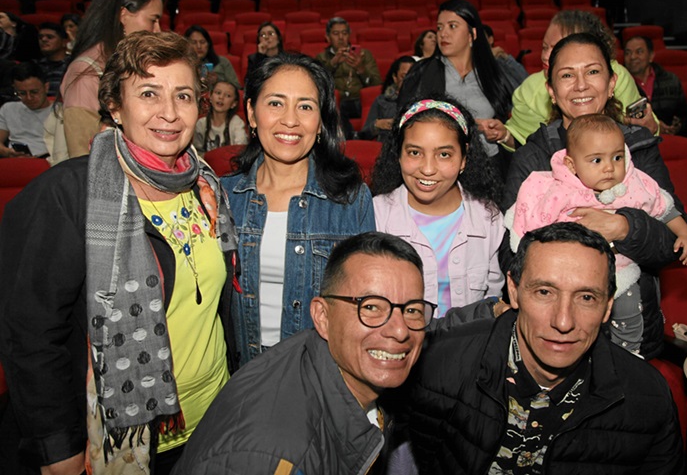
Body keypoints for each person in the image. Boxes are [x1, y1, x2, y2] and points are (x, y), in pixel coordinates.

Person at [0, 31, 239, 475]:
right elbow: (31, 333)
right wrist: (57, 446)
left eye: (183, 95)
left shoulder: (208, 188)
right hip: (122, 435)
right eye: (149, 93)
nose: (169, 112)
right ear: (115, 106)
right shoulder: (70, 194)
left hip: (214, 419)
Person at [399, 222, 684, 474]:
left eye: (586, 297)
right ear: (513, 290)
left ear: (608, 306)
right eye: (544, 292)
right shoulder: (435, 365)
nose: (563, 321)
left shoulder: (648, 399)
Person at [172, 231, 433, 474]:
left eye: (412, 310)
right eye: (372, 307)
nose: (400, 331)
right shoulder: (281, 455)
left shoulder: (318, 361)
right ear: (322, 316)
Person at [503, 33, 686, 360]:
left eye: (593, 72)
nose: (581, 85)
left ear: (612, 82)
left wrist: (624, 227)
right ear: (551, 90)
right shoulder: (532, 156)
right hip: (554, 330)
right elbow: (510, 251)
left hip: (632, 325)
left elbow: (672, 241)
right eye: (567, 75)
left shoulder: (639, 147)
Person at [222, 52, 375, 366]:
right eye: (275, 103)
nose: (290, 120)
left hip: (320, 373)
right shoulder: (222, 196)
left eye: (305, 106)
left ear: (320, 121)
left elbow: (365, 306)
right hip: (238, 376)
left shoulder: (351, 200)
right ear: (251, 113)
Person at [507, 114, 687, 354]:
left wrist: (685, 235)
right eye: (596, 160)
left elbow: (666, 209)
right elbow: (534, 227)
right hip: (570, 276)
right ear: (572, 166)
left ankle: (628, 357)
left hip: (620, 267)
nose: (609, 167)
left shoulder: (636, 184)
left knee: (629, 310)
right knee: (571, 323)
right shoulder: (558, 190)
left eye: (617, 157)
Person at [372, 95, 505, 316]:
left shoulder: (487, 218)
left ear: (463, 158)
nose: (427, 169)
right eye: (415, 153)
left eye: (444, 154)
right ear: (398, 154)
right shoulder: (376, 215)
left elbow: (492, 297)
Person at [505, 9, 655, 145]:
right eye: (544, 47)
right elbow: (524, 144)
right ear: (551, 91)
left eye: (556, 47)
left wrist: (648, 128)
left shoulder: (617, 77)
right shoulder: (528, 90)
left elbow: (643, 130)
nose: (545, 56)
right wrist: (505, 136)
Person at [399, 0, 516, 172]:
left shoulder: (492, 74)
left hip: (489, 167)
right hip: (439, 169)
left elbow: (512, 124)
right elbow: (406, 121)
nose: (443, 34)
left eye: (452, 26)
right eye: (439, 27)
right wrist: (471, 124)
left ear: (472, 34)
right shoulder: (422, 72)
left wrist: (501, 132)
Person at [60, 0, 164, 159]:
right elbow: (81, 154)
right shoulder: (87, 72)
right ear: (124, 15)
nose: (158, 30)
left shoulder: (129, 64)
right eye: (153, 20)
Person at [624, 35, 687, 191]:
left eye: (639, 52)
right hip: (640, 141)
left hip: (671, 138)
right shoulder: (620, 84)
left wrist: (676, 126)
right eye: (628, 53)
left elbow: (686, 115)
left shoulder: (670, 80)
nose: (633, 57)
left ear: (651, 56)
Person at [316, 17, 382, 139]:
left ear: (349, 35)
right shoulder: (322, 58)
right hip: (337, 102)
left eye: (344, 33)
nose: (341, 38)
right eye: (336, 34)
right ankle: (352, 137)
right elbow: (317, 83)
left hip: (359, 101)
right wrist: (333, 64)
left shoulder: (364, 55)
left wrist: (361, 69)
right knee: (332, 106)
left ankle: (361, 137)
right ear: (328, 37)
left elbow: (377, 85)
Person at [0, 62, 51, 157]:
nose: (29, 98)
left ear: (46, 87)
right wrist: (6, 151)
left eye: (34, 92)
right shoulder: (8, 109)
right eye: (22, 93)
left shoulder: (60, 111)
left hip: (48, 162)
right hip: (15, 161)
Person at [359, 54, 415, 140]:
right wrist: (377, 125)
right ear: (395, 78)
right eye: (404, 76)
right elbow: (363, 135)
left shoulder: (423, 103)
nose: (408, 80)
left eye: (412, 77)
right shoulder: (382, 101)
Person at [193, 80, 247, 154]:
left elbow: (241, 150)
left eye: (228, 95)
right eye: (218, 93)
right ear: (210, 97)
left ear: (234, 104)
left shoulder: (236, 123)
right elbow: (196, 152)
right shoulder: (201, 123)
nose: (221, 97)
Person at [185, 25, 240, 89]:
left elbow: (237, 88)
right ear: (187, 45)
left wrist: (218, 81)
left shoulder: (223, 62)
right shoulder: (181, 64)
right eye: (194, 42)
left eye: (202, 42)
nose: (199, 46)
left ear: (208, 44)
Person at [483, 24, 528, 88]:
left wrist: (507, 59)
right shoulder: (472, 62)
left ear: (490, 40)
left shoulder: (502, 59)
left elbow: (526, 80)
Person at [36, 22, 70, 97]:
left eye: (50, 37)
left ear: (64, 42)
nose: (44, 40)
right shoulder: (35, 66)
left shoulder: (74, 65)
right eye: (40, 37)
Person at [245, 21, 284, 85]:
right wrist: (260, 56)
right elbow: (249, 83)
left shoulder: (287, 59)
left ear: (278, 39)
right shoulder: (254, 59)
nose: (266, 37)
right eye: (262, 35)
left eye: (270, 34)